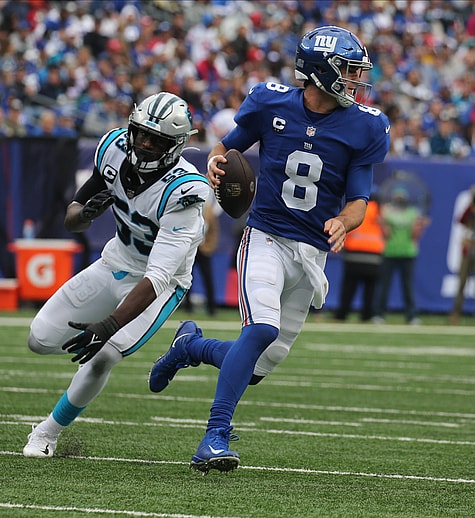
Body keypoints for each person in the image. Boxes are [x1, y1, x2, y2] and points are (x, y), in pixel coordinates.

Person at [148, 25, 390, 473]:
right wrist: (216, 161)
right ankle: (214, 436)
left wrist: (343, 221)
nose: (358, 80)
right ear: (321, 71)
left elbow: (359, 199)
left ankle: (190, 347)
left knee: (257, 367)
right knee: (260, 331)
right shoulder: (271, 101)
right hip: (265, 237)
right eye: (350, 70)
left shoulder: (365, 125)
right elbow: (226, 147)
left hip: (312, 252)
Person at [22, 92, 210, 458]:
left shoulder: (184, 191)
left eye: (156, 140)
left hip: (159, 283)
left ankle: (47, 432)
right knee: (39, 340)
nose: (144, 143)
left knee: (104, 355)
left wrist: (107, 326)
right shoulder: (112, 147)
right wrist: (85, 214)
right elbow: (73, 217)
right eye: (140, 133)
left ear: (176, 146)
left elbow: (156, 278)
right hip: (114, 261)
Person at [372, 187, 430, 325]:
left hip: (408, 253)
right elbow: (386, 235)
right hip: (390, 251)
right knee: (384, 285)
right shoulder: (387, 212)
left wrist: (420, 227)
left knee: (408, 286)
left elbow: (414, 236)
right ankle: (379, 314)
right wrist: (383, 225)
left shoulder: (412, 213)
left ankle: (411, 315)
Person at [333, 194, 384, 322]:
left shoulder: (355, 208)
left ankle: (342, 314)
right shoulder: (379, 211)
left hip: (353, 253)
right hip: (373, 254)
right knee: (370, 288)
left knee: (349, 287)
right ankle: (367, 315)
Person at [183, 191, 220, 315]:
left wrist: (209, 247)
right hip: (191, 249)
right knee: (186, 278)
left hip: (204, 249)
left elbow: (214, 231)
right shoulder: (190, 208)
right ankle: (187, 306)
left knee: (208, 278)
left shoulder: (209, 210)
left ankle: (211, 308)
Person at [449, 186, 475, 324]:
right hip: (469, 248)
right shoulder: (470, 209)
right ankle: (456, 313)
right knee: (462, 282)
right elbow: (461, 220)